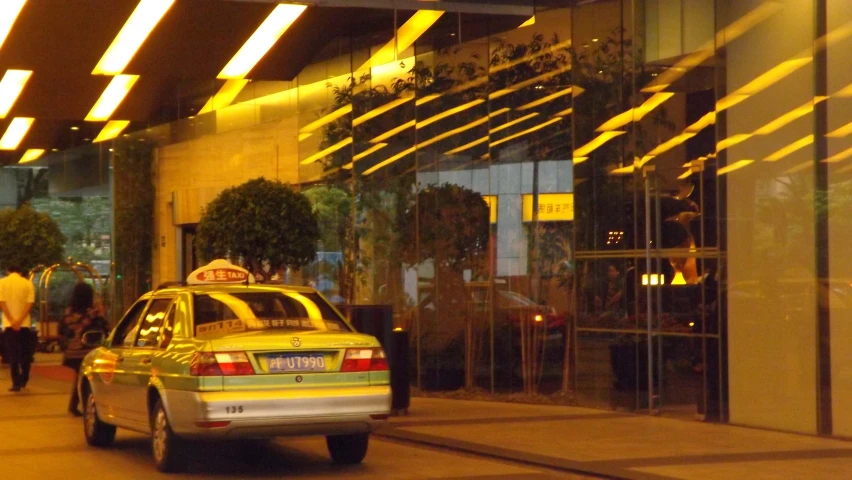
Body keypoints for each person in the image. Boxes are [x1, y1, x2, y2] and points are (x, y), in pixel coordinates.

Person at [62, 282, 107, 416]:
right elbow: (104, 326)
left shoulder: (69, 311)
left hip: (71, 351)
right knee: (87, 378)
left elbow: (63, 329)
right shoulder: (92, 312)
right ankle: (86, 404)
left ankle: (74, 405)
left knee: (79, 376)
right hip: (87, 350)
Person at [0, 264, 36, 392]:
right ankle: (24, 378)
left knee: (12, 353)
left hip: (9, 324)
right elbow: (30, 303)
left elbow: (2, 302)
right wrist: (20, 320)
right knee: (25, 353)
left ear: (8, 271)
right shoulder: (28, 284)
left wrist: (12, 320)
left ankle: (15, 382)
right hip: (24, 323)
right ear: (20, 272)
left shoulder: (2, 283)